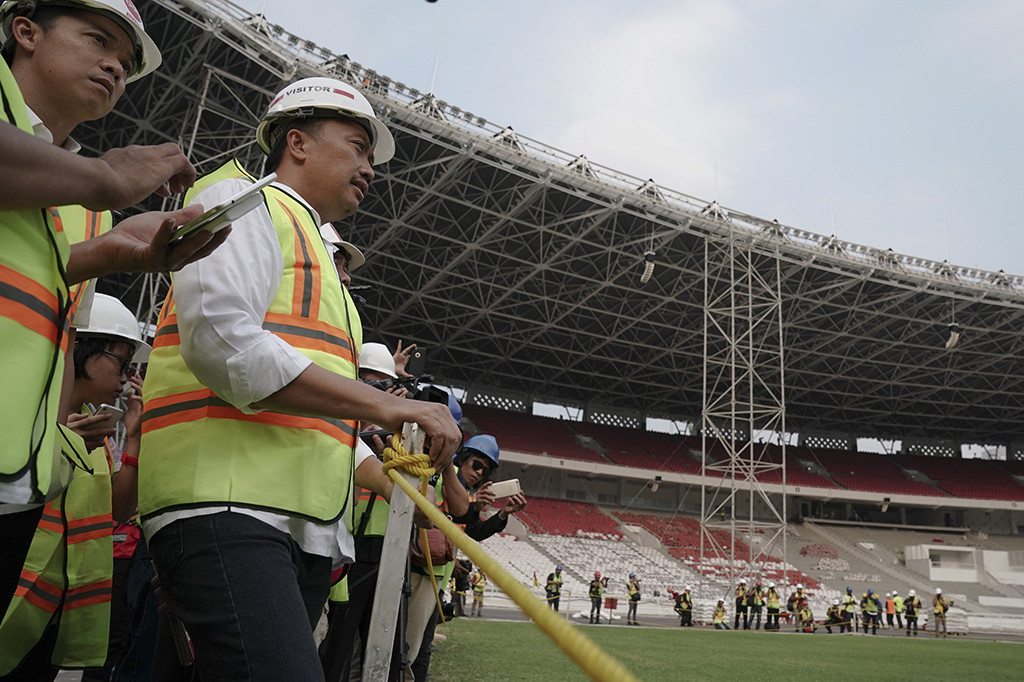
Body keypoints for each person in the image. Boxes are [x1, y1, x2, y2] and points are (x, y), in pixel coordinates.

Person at [136, 77, 462, 681]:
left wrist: (383, 467)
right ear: (298, 143)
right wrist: (386, 406)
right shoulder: (240, 199)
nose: (370, 168)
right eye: (358, 146)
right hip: (227, 508)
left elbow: (316, 417)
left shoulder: (319, 257)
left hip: (298, 526)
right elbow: (224, 344)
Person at [0, 0, 222, 625]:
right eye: (96, 39)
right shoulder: (87, 181)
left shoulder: (76, 195)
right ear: (25, 31)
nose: (114, 67)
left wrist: (107, 253)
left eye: (125, 62)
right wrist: (102, 175)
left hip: (18, 475)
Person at [0, 294, 148, 679]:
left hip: (50, 615)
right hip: (14, 600)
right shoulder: (27, 412)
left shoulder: (97, 435)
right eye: (121, 362)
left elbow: (117, 510)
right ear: (80, 347)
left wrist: (133, 441)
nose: (125, 377)